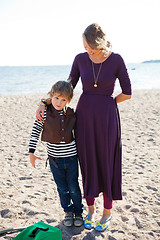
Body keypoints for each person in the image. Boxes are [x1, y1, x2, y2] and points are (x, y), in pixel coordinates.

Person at [36, 23, 132, 232]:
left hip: (107, 118)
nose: (87, 50)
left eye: (90, 46)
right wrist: (44, 103)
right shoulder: (80, 59)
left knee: (107, 161)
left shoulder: (116, 60)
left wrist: (108, 103)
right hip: (85, 117)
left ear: (99, 43)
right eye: (85, 46)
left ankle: (107, 212)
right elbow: (67, 87)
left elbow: (128, 92)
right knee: (87, 162)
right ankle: (90, 211)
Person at [29, 81, 83, 227]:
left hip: (72, 158)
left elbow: (82, 131)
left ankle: (78, 212)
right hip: (54, 160)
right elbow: (35, 132)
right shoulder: (44, 113)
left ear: (69, 100)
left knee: (73, 186)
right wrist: (31, 152)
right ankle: (67, 211)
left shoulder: (71, 113)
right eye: (56, 98)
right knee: (62, 188)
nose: (59, 102)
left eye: (63, 99)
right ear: (51, 96)